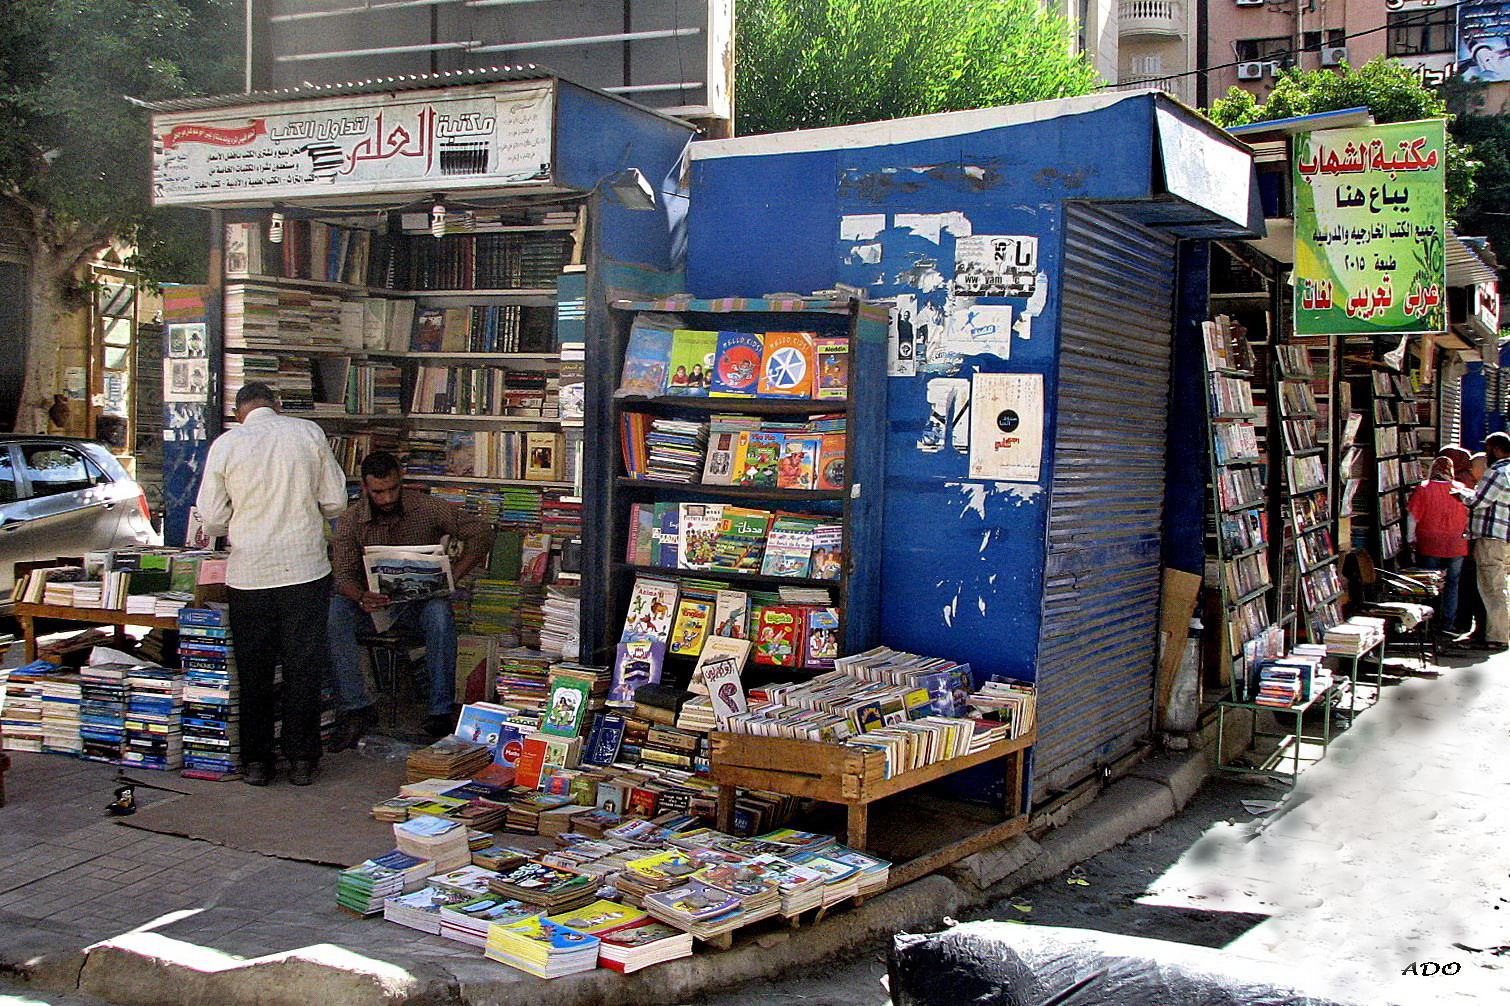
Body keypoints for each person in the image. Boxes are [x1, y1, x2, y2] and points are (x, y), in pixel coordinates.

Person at [196, 382, 348, 786]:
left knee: (254, 670)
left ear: (238, 411)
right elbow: (335, 502)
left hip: (249, 574)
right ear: (276, 405)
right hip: (304, 571)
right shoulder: (307, 433)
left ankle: (257, 763)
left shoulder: (226, 445)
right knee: (303, 666)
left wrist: (246, 517)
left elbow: (210, 519)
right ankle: (302, 760)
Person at [327, 451, 495, 746]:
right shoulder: (351, 519)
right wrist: (361, 595)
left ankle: (440, 711)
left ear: (401, 480)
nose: (388, 498)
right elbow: (342, 575)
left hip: (417, 607)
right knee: (335, 611)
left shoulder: (425, 506)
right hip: (372, 607)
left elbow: (481, 531)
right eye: (379, 492)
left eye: (393, 489)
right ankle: (356, 708)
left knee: (440, 612)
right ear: (365, 489)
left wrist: (454, 574)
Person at [1407, 456, 1469, 639]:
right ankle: (1447, 623)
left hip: (1429, 541)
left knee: (1429, 583)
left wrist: (1411, 538)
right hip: (1456, 543)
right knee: (1452, 584)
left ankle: (1428, 622)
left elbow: (1413, 516)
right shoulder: (1461, 490)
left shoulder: (1423, 489)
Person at [1466, 432, 1510, 653]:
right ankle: (1495, 632)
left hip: (1491, 536)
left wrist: (1461, 495)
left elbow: (1478, 501)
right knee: (1497, 586)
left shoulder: (1497, 472)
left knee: (1493, 588)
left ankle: (1497, 636)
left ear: (1494, 449)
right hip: (1503, 536)